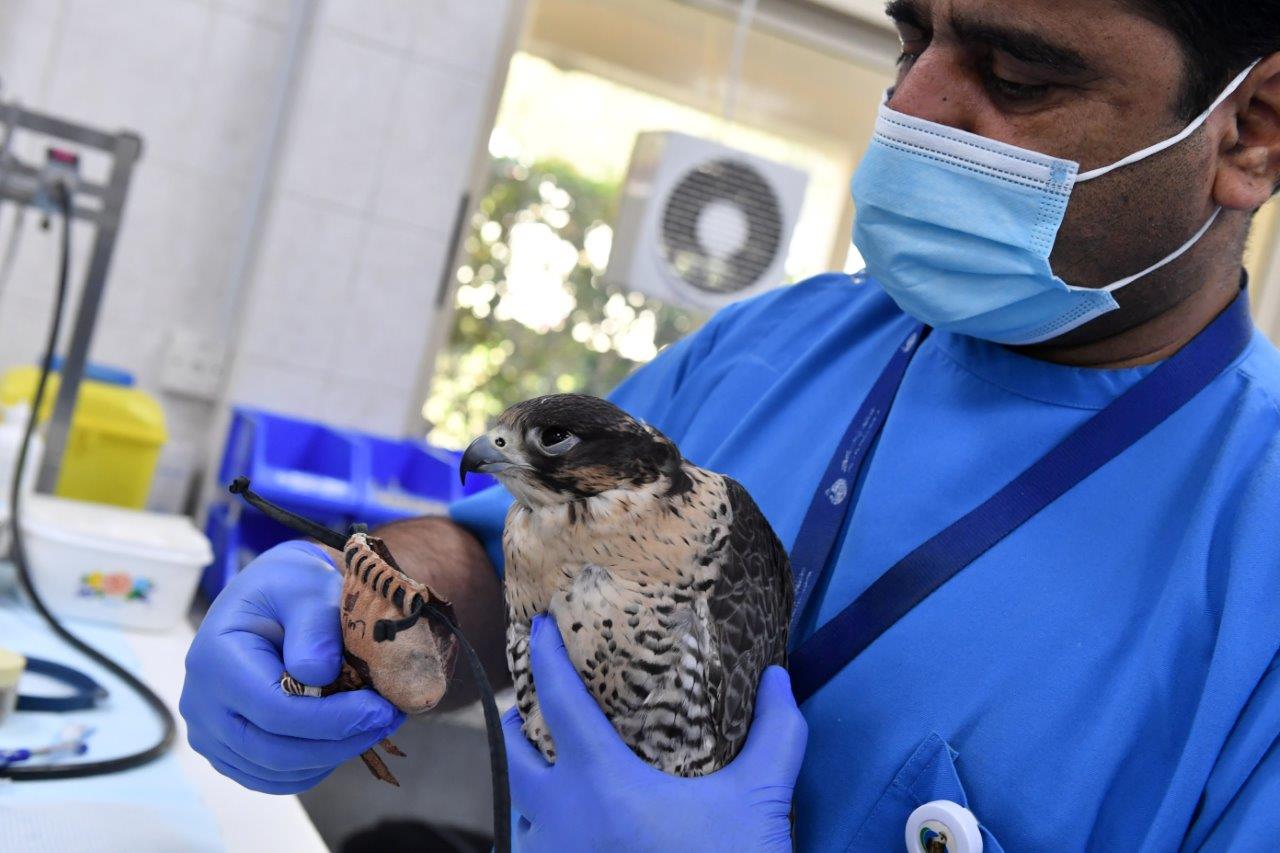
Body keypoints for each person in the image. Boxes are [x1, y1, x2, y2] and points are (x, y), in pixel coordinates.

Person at [181, 0, 1280, 848]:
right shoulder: (781, 341)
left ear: (1249, 132)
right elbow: (496, 554)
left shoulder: (1252, 568)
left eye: (1017, 75)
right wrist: (363, 590)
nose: (912, 106)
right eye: (910, 38)